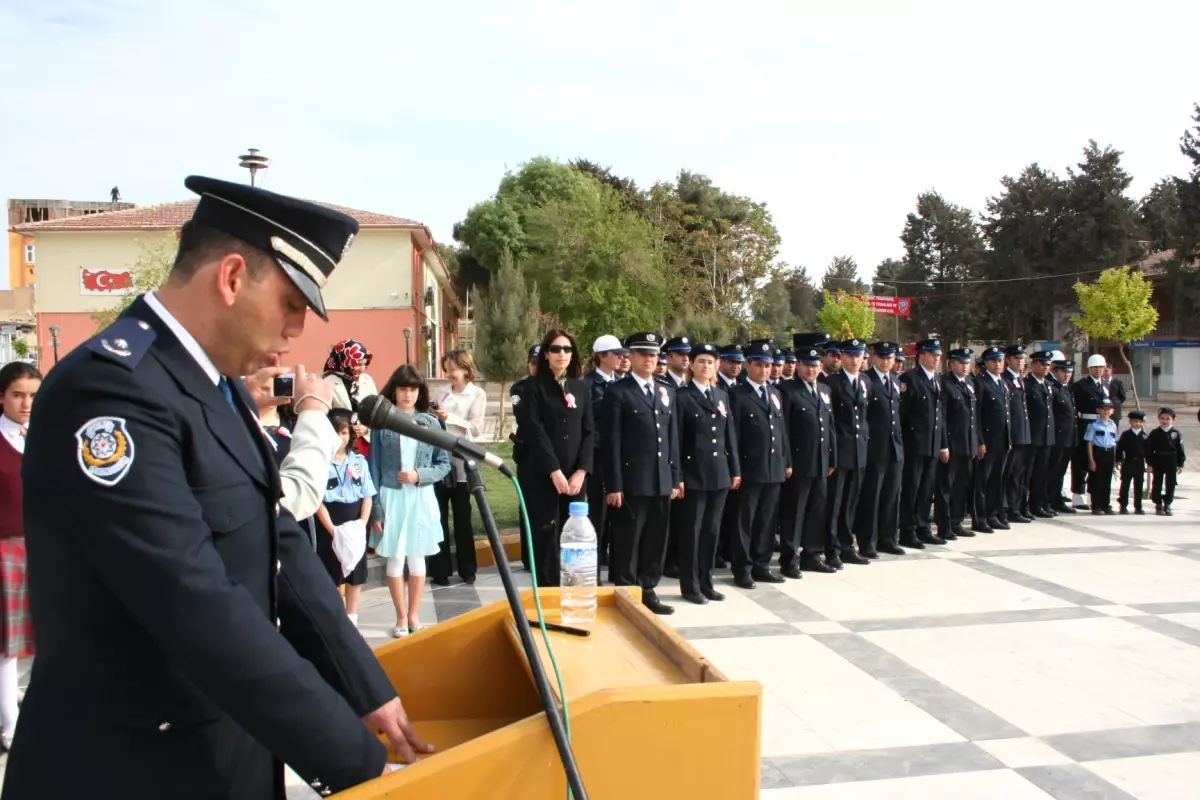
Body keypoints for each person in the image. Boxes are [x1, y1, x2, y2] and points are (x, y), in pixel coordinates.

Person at [9, 176, 428, 799]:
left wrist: (366, 690)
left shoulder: (215, 385)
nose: (297, 330)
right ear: (232, 277)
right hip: (131, 767)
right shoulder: (111, 393)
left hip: (222, 752)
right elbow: (193, 601)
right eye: (292, 303)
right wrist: (358, 763)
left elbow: (278, 539)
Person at [368, 365, 450, 637]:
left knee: (417, 558)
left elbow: (443, 463)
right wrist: (376, 508)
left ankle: (414, 615)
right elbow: (374, 468)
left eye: (413, 389)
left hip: (421, 496)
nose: (407, 395)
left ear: (420, 392)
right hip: (391, 495)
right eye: (403, 389)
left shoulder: (430, 423)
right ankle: (400, 617)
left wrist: (419, 475)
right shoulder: (382, 424)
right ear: (394, 391)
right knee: (394, 558)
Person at [603, 332, 680, 614]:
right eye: (643, 354)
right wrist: (614, 485)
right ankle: (626, 593)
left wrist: (675, 476)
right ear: (631, 357)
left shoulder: (666, 390)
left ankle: (648, 589)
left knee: (655, 539)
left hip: (661, 480)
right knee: (628, 540)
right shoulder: (618, 392)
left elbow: (672, 438)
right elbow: (612, 443)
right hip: (632, 481)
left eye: (653, 354)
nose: (649, 359)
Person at [516, 329, 594, 588]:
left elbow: (589, 431)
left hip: (575, 477)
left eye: (567, 349)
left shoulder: (580, 387)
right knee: (546, 533)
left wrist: (581, 471)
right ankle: (548, 591)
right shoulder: (533, 388)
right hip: (544, 474)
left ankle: (571, 588)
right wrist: (554, 471)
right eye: (556, 349)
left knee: (572, 535)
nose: (562, 354)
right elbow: (536, 432)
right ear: (546, 354)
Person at [675, 343, 740, 603]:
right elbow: (676, 441)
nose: (706, 366)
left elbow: (729, 436)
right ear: (691, 364)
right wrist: (678, 475)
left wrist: (734, 468)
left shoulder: (721, 396)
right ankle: (690, 586)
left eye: (710, 362)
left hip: (719, 473)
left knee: (711, 531)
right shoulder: (682, 396)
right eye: (701, 361)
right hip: (693, 474)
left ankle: (706, 581)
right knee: (692, 531)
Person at [726, 341, 791, 587]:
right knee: (745, 521)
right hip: (750, 469)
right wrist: (736, 469)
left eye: (768, 365)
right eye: (759, 365)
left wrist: (786, 461)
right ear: (749, 365)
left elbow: (781, 431)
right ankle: (742, 568)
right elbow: (734, 436)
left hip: (774, 467)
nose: (764, 370)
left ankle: (762, 564)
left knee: (767, 520)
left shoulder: (774, 394)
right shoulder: (737, 395)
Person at [0, 362, 40, 752]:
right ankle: (10, 726)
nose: (26, 403)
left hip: (45, 546)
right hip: (5, 549)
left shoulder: (45, 436)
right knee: (7, 644)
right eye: (17, 394)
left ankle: (22, 705)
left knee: (38, 636)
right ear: (2, 397)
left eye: (32, 394)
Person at [778, 345, 837, 575]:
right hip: (800, 463)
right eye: (806, 365)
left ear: (820, 367)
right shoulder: (787, 390)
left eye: (814, 366)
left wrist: (832, 456)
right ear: (798, 366)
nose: (810, 370)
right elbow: (784, 431)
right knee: (795, 513)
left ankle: (812, 555)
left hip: (821, 462)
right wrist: (788, 461)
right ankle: (789, 559)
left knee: (817, 511)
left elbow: (829, 426)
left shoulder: (824, 389)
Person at [429, 349, 487, 586]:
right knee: (438, 515)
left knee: (463, 516)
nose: (451, 373)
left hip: (463, 460)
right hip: (440, 458)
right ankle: (440, 570)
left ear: (466, 368)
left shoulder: (477, 394)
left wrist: (450, 418)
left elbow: (475, 428)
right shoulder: (440, 392)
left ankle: (467, 569)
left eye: (455, 368)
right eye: (447, 368)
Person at [316, 409, 377, 625]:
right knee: (331, 569)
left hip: (356, 521)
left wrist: (362, 523)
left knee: (355, 573)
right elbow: (317, 501)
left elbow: (367, 495)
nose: (340, 439)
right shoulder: (319, 462)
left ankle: (352, 618)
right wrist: (333, 531)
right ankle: (338, 618)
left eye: (344, 433)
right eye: (335, 433)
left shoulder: (359, 461)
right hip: (329, 520)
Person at [899, 338, 949, 547]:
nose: (937, 359)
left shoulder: (936, 380)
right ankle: (908, 531)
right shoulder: (909, 379)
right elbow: (902, 416)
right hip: (914, 445)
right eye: (933, 355)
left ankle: (923, 527)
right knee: (912, 488)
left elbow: (940, 416)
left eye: (938, 355)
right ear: (922, 355)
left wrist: (943, 444)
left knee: (927, 489)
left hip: (932, 444)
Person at [584, 335, 626, 576]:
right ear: (601, 356)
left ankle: (616, 566)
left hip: (622, 457)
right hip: (599, 456)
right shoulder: (587, 385)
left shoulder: (622, 383)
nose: (622, 357)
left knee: (618, 515)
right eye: (616, 353)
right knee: (598, 514)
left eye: (622, 353)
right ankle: (594, 568)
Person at [857, 341, 904, 556]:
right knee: (872, 497)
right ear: (874, 357)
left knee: (891, 496)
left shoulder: (895, 381)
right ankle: (868, 542)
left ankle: (888, 538)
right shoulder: (867, 381)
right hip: (874, 448)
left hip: (894, 447)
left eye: (890, 358)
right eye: (883, 358)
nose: (886, 362)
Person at [826, 340, 870, 566]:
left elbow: (865, 418)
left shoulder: (864, 382)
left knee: (851, 503)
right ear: (842, 357)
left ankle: (847, 546)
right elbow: (830, 423)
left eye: (859, 356)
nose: (855, 360)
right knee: (834, 503)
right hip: (840, 452)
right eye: (851, 356)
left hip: (858, 451)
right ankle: (831, 549)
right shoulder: (831, 383)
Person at [935, 348, 978, 539]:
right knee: (946, 487)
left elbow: (973, 417)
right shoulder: (945, 384)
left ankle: (956, 521)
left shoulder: (969, 383)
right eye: (960, 363)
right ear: (951, 364)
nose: (964, 366)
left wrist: (976, 443)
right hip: (952, 444)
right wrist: (943, 445)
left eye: (967, 363)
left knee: (962, 486)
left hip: (967, 444)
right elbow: (941, 418)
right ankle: (944, 526)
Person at [659, 336, 692, 579]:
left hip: (692, 460)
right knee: (669, 516)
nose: (685, 358)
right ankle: (668, 560)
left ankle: (680, 558)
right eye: (679, 354)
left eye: (687, 354)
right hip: (671, 459)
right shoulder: (663, 385)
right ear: (668, 358)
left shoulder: (691, 385)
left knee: (685, 518)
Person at [509, 344, 541, 570]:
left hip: (553, 454)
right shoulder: (519, 388)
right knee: (528, 506)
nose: (537, 368)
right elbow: (526, 416)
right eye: (534, 364)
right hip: (528, 450)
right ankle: (529, 557)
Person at [973, 346, 1012, 533]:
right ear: (986, 363)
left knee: (997, 480)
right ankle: (980, 518)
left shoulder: (1003, 383)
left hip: (1002, 440)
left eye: (1000, 361)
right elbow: (977, 414)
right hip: (987, 440)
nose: (998, 364)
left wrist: (1009, 437)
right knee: (983, 481)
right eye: (994, 361)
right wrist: (980, 440)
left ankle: (992, 514)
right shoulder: (980, 383)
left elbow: (1006, 415)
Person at [324, 338, 377, 456]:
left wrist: (366, 428)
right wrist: (345, 428)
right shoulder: (327, 382)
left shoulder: (367, 380)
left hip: (365, 442)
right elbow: (324, 416)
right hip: (340, 444)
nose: (362, 369)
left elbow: (376, 412)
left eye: (365, 364)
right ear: (345, 361)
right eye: (358, 364)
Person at [1071, 354, 1111, 510]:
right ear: (1089, 368)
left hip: (1101, 424)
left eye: (1101, 367)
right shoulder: (1080, 385)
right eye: (1095, 367)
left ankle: (1094, 495)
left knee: (1098, 460)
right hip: (1085, 423)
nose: (1099, 370)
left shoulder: (1105, 386)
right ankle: (1078, 495)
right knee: (1081, 459)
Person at [1000, 345, 1032, 524]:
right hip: (1012, 435)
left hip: (1022, 435)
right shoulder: (1005, 380)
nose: (1021, 362)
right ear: (1008, 360)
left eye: (1022, 358)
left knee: (1019, 474)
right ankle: (1005, 508)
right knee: (1008, 474)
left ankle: (1016, 506)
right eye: (1017, 358)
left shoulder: (1020, 379)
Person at [1024, 351, 1057, 518]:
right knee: (1027, 473)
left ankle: (1039, 504)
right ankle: (1024, 506)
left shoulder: (1048, 385)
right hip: (1033, 436)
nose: (1046, 367)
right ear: (1034, 365)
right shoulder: (1027, 384)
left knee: (1042, 473)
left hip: (1046, 436)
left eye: (1048, 364)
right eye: (1043, 364)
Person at [1047, 358, 1077, 514]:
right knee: (1053, 470)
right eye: (1064, 372)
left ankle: (1056, 499)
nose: (1067, 375)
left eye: (1070, 372)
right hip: (1057, 437)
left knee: (1061, 471)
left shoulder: (1066, 389)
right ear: (1055, 371)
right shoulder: (1053, 388)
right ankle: (1049, 500)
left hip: (1068, 437)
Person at [1148, 407, 1186, 515]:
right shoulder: (1154, 433)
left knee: (1171, 483)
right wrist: (1150, 463)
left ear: (1173, 420)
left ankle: (1168, 503)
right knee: (1157, 483)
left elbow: (1180, 449)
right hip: (1158, 459)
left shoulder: (1176, 433)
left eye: (1167, 418)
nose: (1164, 421)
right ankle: (1158, 503)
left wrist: (1180, 463)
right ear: (1159, 419)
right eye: (1162, 418)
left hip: (1171, 460)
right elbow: (1149, 449)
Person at [1084, 400, 1118, 514]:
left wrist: (1115, 460)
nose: (1106, 411)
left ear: (1112, 411)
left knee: (1107, 481)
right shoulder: (1093, 425)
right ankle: (1096, 505)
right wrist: (1091, 459)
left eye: (1108, 409)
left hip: (1109, 453)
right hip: (1098, 452)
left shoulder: (1113, 425)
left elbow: (1114, 442)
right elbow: (1089, 442)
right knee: (1097, 479)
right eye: (1103, 409)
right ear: (1098, 410)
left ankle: (1106, 504)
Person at [1116, 410, 1149, 515]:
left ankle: (1138, 507)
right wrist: (1118, 460)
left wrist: (1150, 464)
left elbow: (1148, 451)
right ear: (1130, 422)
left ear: (1143, 423)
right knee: (1125, 484)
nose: (1137, 424)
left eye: (1140, 421)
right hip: (1128, 462)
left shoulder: (1145, 436)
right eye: (1135, 421)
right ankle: (1123, 505)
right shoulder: (1126, 435)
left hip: (1139, 463)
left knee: (1138, 485)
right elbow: (1119, 448)